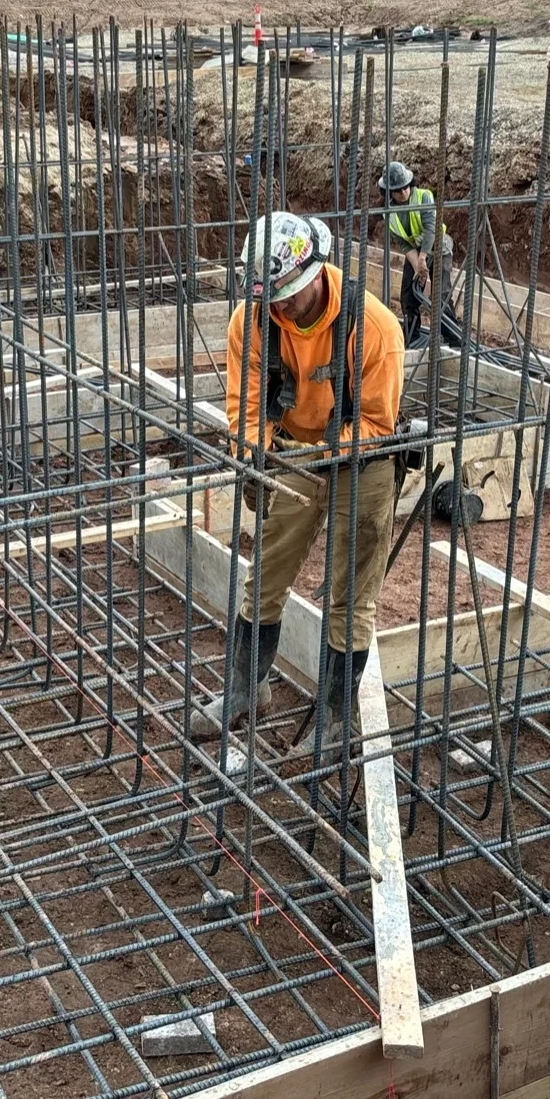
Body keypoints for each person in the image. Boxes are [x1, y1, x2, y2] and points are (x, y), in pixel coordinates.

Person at [193, 211, 404, 751]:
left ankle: (335, 722)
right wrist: (254, 454)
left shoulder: (374, 326)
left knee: (350, 598)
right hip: (293, 454)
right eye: (272, 299)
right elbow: (245, 408)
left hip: (364, 459)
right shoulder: (253, 321)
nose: (281, 308)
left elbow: (377, 424)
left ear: (316, 271)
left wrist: (319, 453)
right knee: (264, 576)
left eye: (288, 295)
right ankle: (246, 691)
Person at [378, 160, 455, 349]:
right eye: (398, 190)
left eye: (406, 187)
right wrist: (416, 265)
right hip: (416, 252)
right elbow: (404, 244)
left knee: (441, 296)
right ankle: (411, 338)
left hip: (438, 247)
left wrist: (423, 259)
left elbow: (431, 229)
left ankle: (453, 341)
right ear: (389, 192)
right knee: (408, 294)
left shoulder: (423, 197)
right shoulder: (389, 213)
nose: (404, 192)